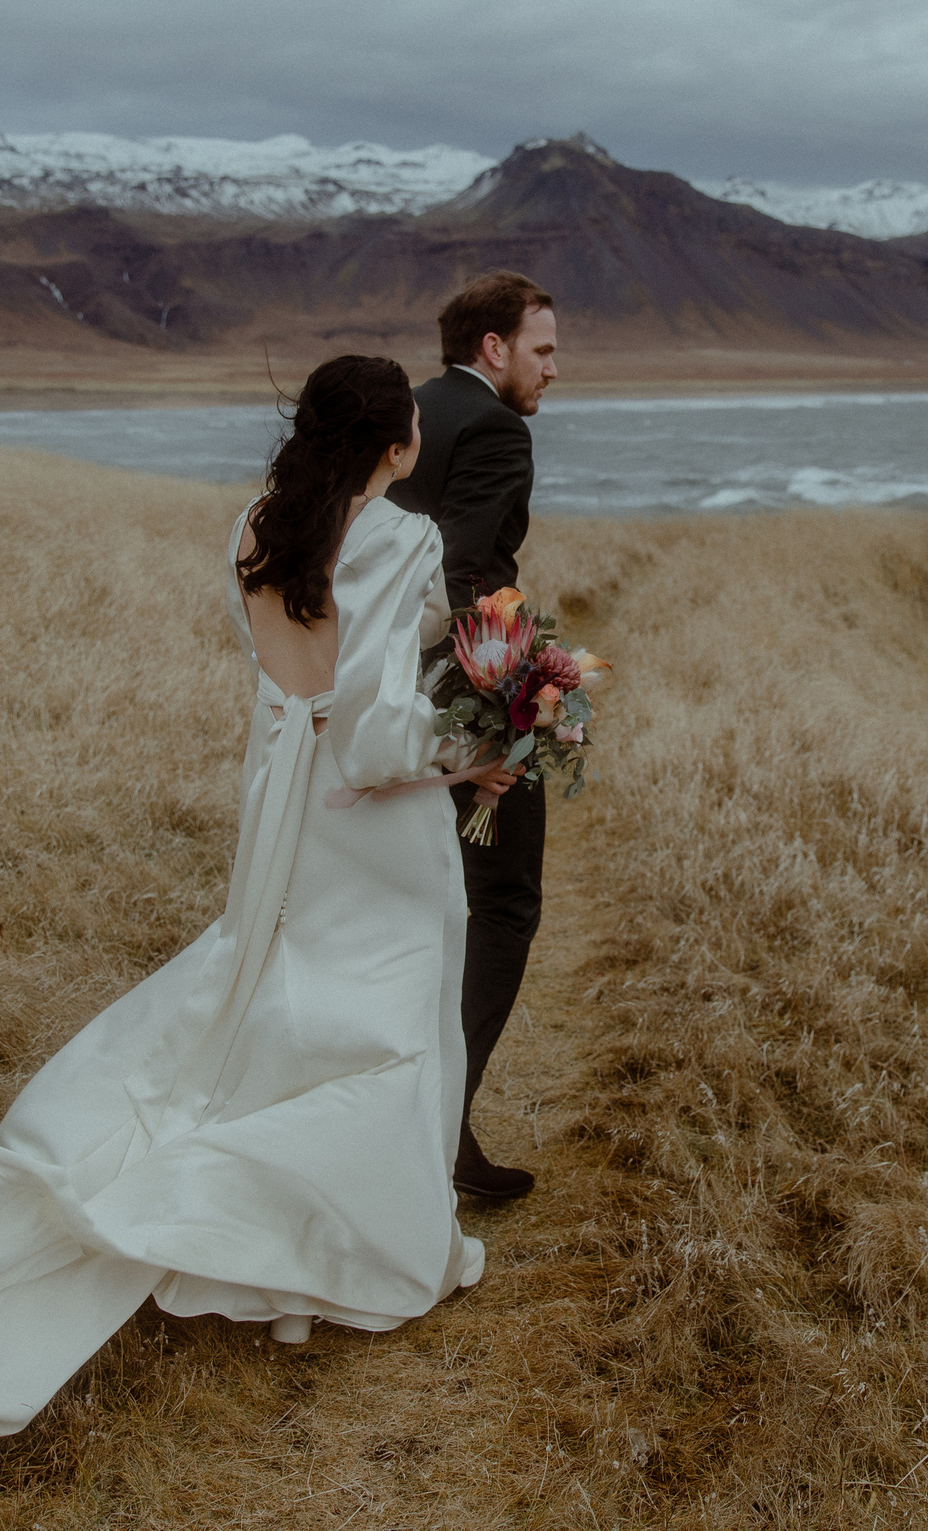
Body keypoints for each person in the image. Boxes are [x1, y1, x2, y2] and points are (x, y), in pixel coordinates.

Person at [0, 355, 516, 1473]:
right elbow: (373, 735)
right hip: (370, 821)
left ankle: (277, 1267)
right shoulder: (402, 537)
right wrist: (480, 752)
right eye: (410, 424)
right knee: (388, 1024)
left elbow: (295, 698)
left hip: (279, 798)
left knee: (282, 995)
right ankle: (343, 1261)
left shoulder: (258, 526)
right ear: (397, 445)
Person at [387, 271, 559, 1201]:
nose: (555, 369)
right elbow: (471, 571)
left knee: (435, 905)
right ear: (492, 348)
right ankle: (441, 1134)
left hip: (395, 695)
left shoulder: (412, 410)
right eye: (543, 349)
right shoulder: (496, 427)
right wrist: (507, 707)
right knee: (502, 906)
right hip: (466, 695)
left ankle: (413, 1120)